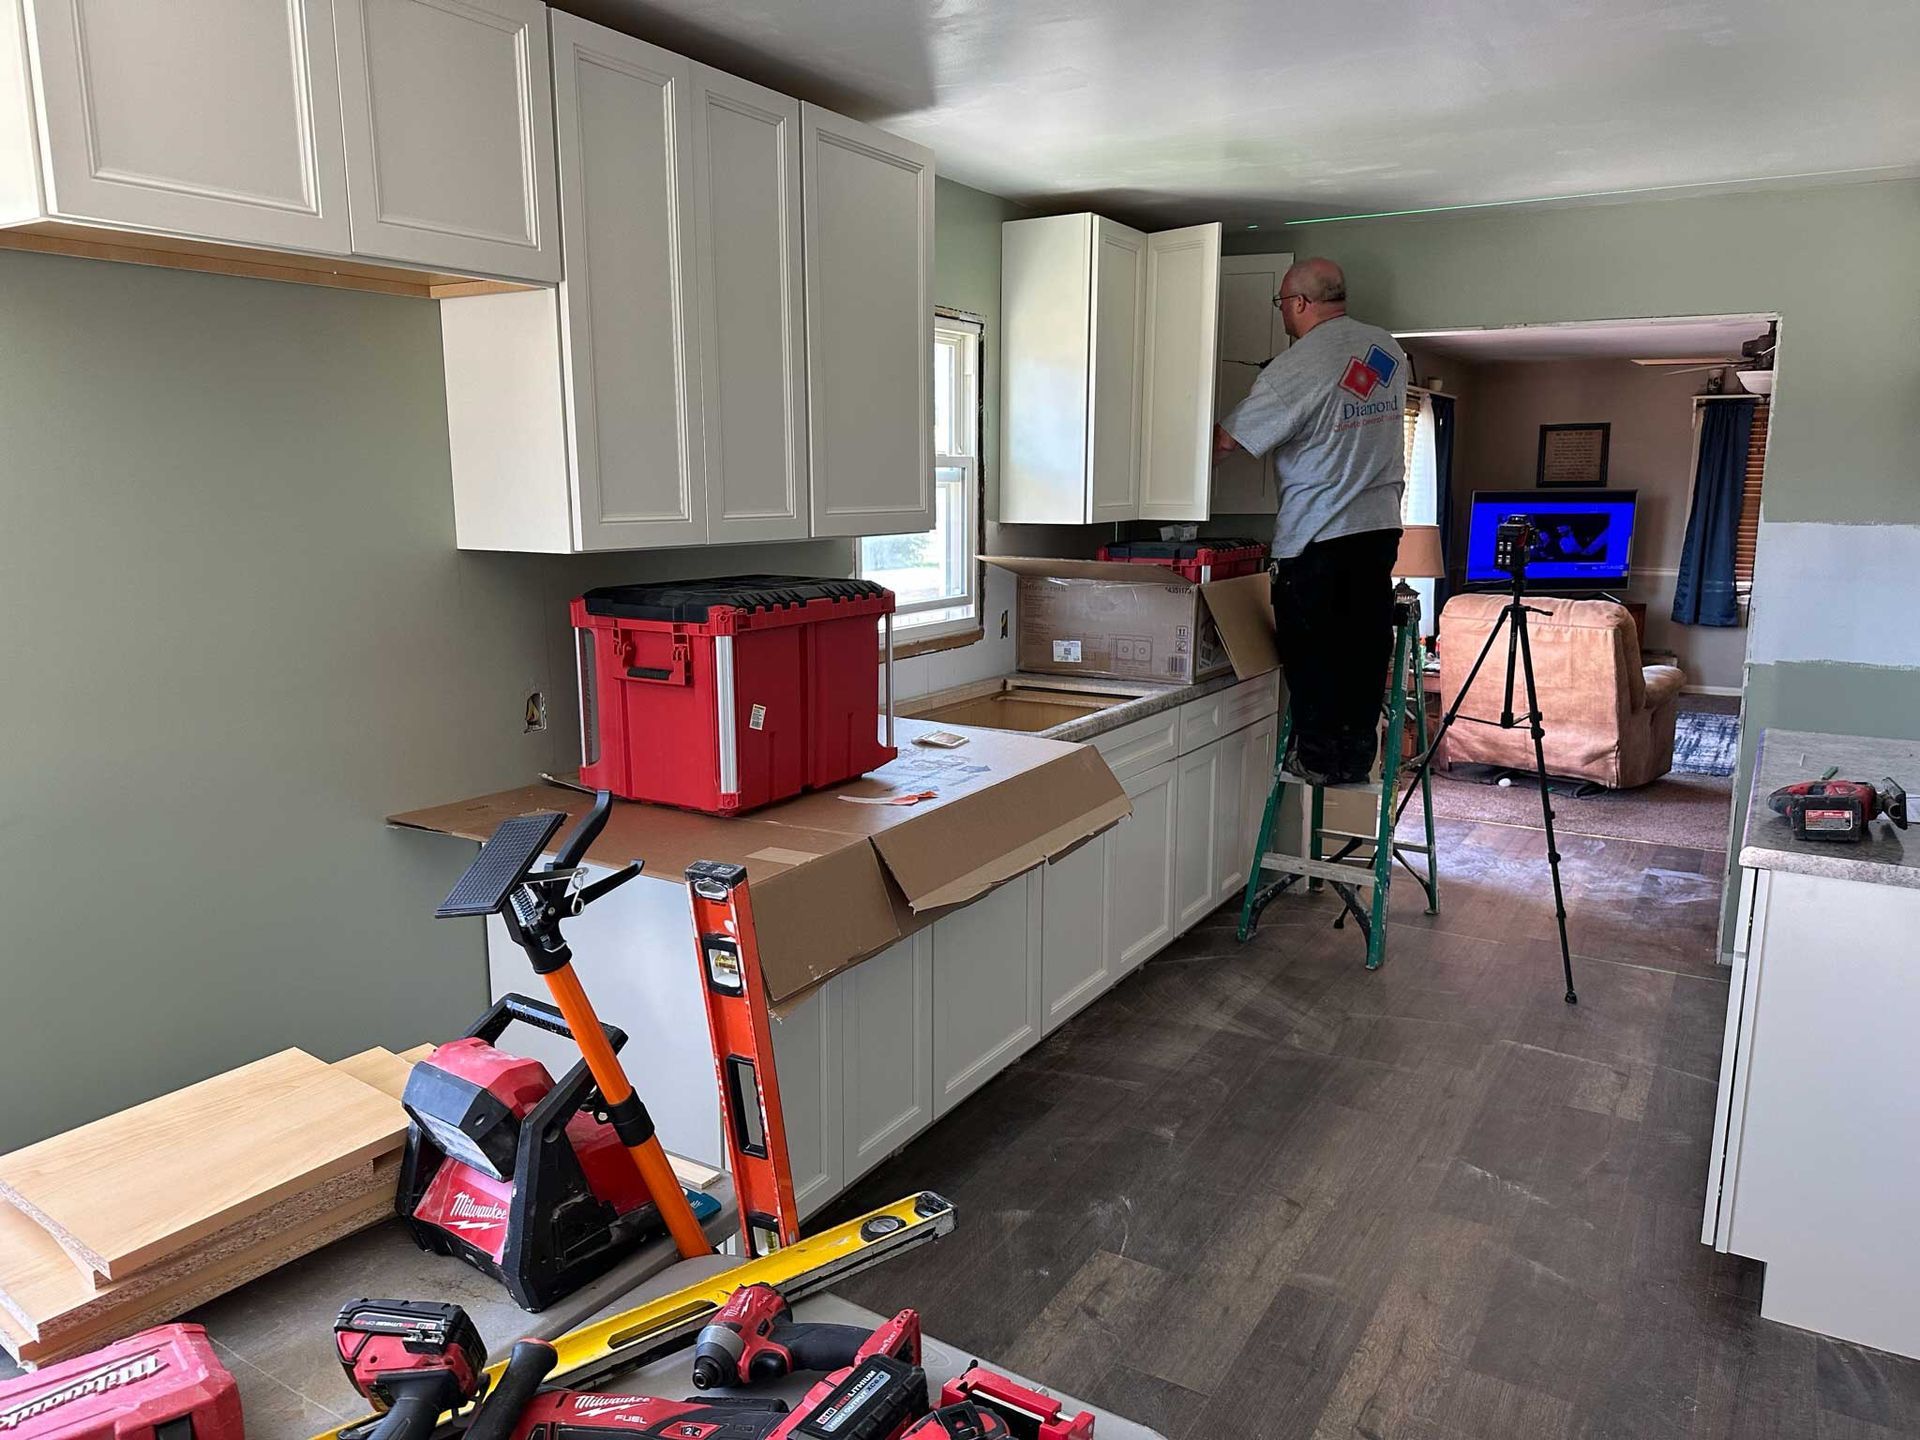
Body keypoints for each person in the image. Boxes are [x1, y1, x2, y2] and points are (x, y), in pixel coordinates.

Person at [1213, 257, 1406, 786]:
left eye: (1282, 304)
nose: (1282, 314)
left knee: (1313, 650)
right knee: (1363, 646)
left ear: (1299, 303)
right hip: (1379, 529)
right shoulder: (1385, 347)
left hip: (1319, 534)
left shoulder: (1300, 365)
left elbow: (1229, 441)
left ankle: (1319, 762)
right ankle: (1353, 757)